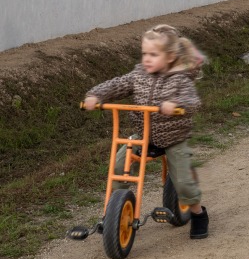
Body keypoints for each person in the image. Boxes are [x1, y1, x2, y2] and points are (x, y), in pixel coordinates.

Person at [84, 24, 209, 240]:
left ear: (170, 57)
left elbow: (193, 101)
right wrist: (96, 95)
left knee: (183, 180)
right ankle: (114, 215)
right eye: (144, 53)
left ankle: (198, 214)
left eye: (153, 54)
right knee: (118, 165)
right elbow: (117, 85)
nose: (147, 59)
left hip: (172, 138)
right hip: (142, 136)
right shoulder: (138, 74)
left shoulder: (180, 79)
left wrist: (175, 103)